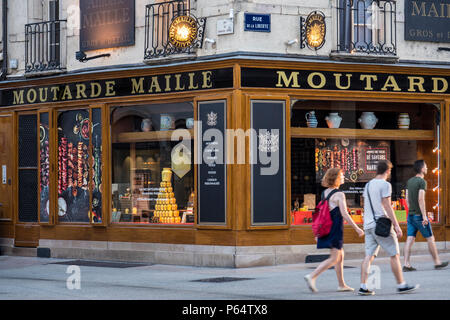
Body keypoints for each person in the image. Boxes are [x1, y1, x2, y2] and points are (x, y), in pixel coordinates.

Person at [358, 160, 419, 295]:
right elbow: (387, 205)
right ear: (387, 171)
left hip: (368, 225)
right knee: (394, 254)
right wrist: (396, 225)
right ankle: (401, 284)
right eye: (390, 171)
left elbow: (366, 204)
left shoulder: (368, 185)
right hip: (381, 225)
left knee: (368, 256)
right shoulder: (385, 185)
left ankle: (363, 286)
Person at [304, 168, 364, 293]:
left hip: (328, 227)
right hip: (335, 229)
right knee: (335, 257)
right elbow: (345, 214)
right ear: (335, 178)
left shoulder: (325, 193)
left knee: (340, 255)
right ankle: (312, 276)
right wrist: (357, 228)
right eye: (341, 175)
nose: (343, 177)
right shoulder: (339, 194)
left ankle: (341, 284)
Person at [403, 160, 448, 271]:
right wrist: (424, 216)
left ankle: (406, 264)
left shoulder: (409, 181)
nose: (427, 169)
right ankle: (437, 262)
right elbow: (421, 199)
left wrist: (410, 211)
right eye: (426, 167)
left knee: (409, 239)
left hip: (411, 216)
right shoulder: (422, 182)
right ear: (422, 169)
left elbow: (407, 199)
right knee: (430, 238)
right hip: (419, 216)